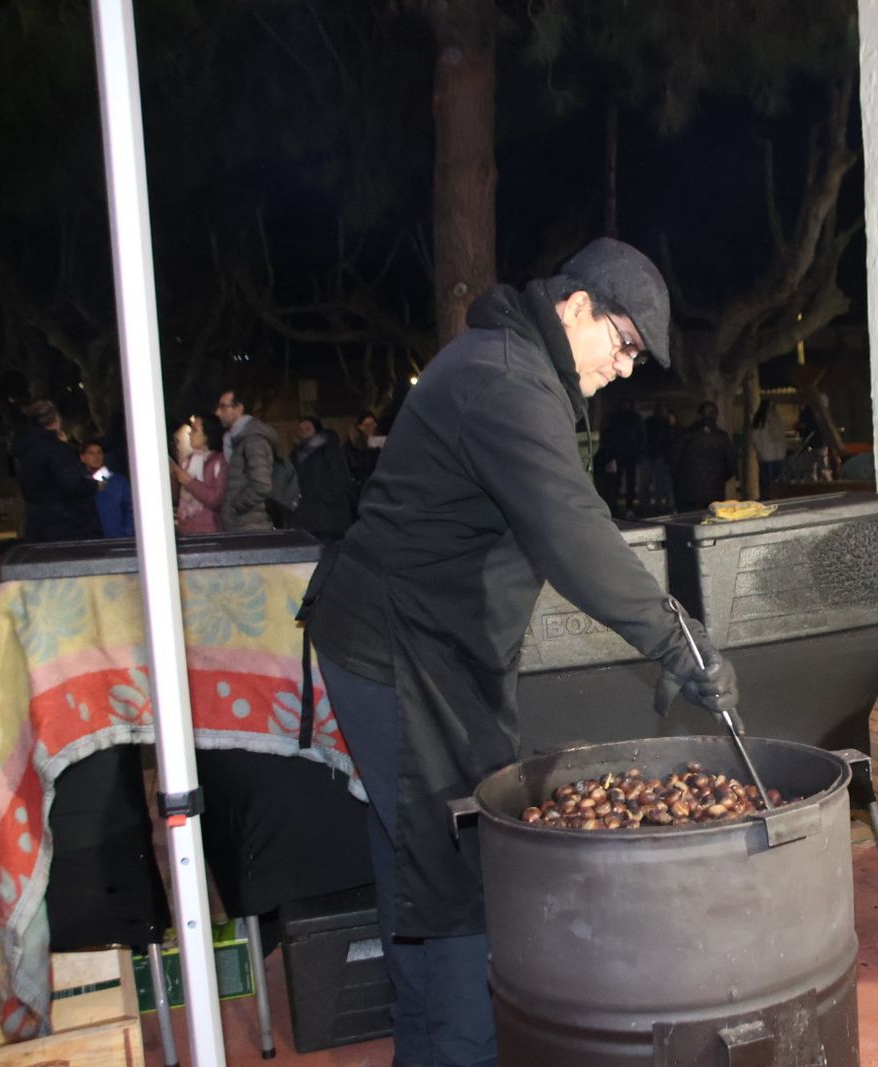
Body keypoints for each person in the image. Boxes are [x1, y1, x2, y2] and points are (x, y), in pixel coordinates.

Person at [300, 237, 739, 1067]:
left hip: (436, 649)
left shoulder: (521, 371)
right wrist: (682, 645)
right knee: (453, 858)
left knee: (427, 849)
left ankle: (432, 1048)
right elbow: (575, 536)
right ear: (577, 307)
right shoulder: (503, 380)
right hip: (398, 648)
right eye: (624, 344)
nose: (625, 368)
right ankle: (462, 1050)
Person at [13, 400, 101, 542]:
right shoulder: (58, 451)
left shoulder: (27, 451)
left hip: (39, 522)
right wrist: (94, 485)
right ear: (56, 419)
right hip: (67, 525)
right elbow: (72, 484)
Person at [215, 388, 276, 531]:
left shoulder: (253, 439)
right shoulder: (236, 440)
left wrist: (234, 506)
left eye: (223, 407)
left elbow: (262, 484)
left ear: (239, 408)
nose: (218, 413)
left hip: (250, 526)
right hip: (240, 524)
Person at [289, 416, 354, 543]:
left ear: (316, 429)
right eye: (301, 429)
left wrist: (327, 498)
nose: (304, 431)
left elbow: (342, 477)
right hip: (308, 517)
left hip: (330, 517)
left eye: (308, 428)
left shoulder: (330, 449)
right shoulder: (297, 455)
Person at [671, 401, 739, 511]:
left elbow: (675, 461)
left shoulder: (687, 435)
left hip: (689, 491)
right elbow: (731, 465)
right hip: (715, 490)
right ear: (716, 415)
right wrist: (719, 478)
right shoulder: (721, 437)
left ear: (699, 415)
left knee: (691, 521)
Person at [172, 414, 227, 534]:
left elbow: (216, 499)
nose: (190, 434)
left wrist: (189, 482)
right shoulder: (187, 461)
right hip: (185, 529)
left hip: (208, 530)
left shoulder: (218, 462)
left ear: (208, 435)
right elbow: (177, 499)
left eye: (195, 430)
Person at [80, 439, 134, 538]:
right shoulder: (78, 483)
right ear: (82, 457)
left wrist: (126, 531)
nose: (96, 457)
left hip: (116, 537)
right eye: (91, 453)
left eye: (99, 453)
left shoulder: (118, 481)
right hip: (89, 539)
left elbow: (129, 508)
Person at [600, 397, 644, 515]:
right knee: (623, 481)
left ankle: (620, 506)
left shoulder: (616, 418)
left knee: (622, 481)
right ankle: (623, 506)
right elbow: (640, 436)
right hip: (624, 453)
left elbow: (640, 436)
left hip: (623, 453)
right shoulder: (631, 418)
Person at [636, 402, 676, 514]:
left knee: (654, 482)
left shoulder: (652, 422)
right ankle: (655, 505)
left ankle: (648, 505)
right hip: (656, 455)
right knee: (657, 482)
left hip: (654, 455)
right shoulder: (663, 423)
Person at [343, 410, 384, 517]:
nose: (370, 428)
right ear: (359, 427)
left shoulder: (382, 444)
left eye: (373, 424)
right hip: (360, 494)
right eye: (366, 425)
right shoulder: (350, 447)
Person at [749, 399, 788, 496]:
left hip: (766, 455)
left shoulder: (759, 420)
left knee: (766, 483)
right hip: (776, 455)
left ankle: (767, 498)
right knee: (776, 481)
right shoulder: (774, 418)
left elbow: (755, 438)